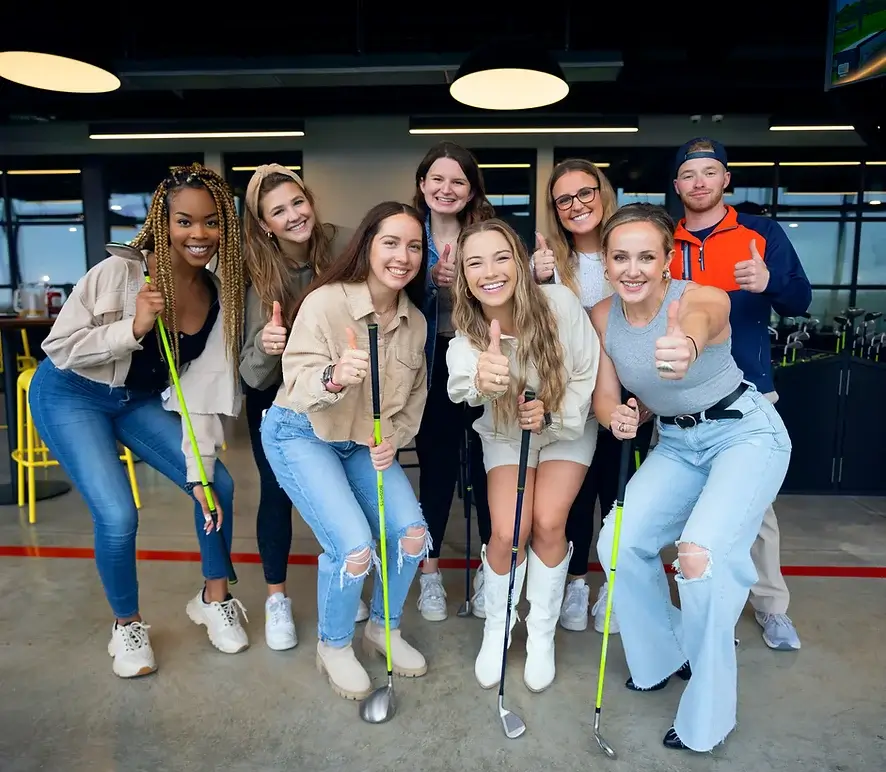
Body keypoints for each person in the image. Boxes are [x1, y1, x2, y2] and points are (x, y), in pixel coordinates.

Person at [29, 163, 249, 678]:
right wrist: (132, 327)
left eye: (212, 222)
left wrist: (197, 470)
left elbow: (205, 390)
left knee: (216, 482)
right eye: (185, 221)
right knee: (118, 515)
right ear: (162, 221)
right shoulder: (120, 274)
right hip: (71, 394)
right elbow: (58, 347)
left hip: (134, 400)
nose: (199, 234)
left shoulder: (219, 295)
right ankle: (126, 626)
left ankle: (214, 598)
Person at [591, 202, 791, 752]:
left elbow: (712, 312)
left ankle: (708, 712)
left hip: (744, 434)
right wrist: (619, 416)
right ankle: (662, 656)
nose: (633, 269)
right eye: (621, 257)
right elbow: (607, 396)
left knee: (699, 557)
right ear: (606, 264)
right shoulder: (603, 316)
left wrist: (689, 344)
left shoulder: (694, 298)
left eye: (646, 257)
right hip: (677, 444)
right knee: (617, 541)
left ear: (666, 261)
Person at [261, 201, 431, 701]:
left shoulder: (415, 322)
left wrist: (394, 438)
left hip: (360, 443)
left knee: (412, 535)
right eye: (391, 243)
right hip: (301, 431)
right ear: (367, 246)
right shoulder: (326, 302)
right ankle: (333, 646)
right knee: (354, 548)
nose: (403, 256)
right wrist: (335, 377)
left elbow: (414, 397)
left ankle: (384, 628)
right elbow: (297, 379)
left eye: (414, 246)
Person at [446, 218, 600, 693]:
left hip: (567, 427)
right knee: (509, 530)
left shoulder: (560, 302)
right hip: (507, 434)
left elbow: (584, 374)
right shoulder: (469, 329)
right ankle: (497, 628)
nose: (489, 271)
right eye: (475, 262)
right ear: (464, 277)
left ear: (519, 261)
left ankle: (540, 635)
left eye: (500, 257)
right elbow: (463, 383)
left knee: (550, 522)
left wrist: (552, 417)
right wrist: (482, 380)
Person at [670, 137, 811, 651]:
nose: (700, 182)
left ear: (726, 179)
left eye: (710, 172)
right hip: (682, 401)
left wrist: (769, 280)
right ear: (677, 185)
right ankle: (706, 611)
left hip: (748, 394)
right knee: (692, 513)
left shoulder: (760, 232)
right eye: (689, 174)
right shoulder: (667, 242)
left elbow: (800, 299)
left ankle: (772, 607)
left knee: (756, 513)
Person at [238, 163, 364, 652]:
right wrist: (268, 345)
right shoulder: (257, 274)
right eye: (279, 211)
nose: (293, 216)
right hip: (278, 401)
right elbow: (250, 375)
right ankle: (276, 599)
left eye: (297, 202)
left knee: (344, 489)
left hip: (339, 390)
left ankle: (346, 581)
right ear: (265, 224)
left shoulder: (344, 246)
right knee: (277, 493)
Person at [530, 157, 654, 635]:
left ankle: (615, 589)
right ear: (554, 210)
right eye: (564, 199)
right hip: (570, 393)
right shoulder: (548, 261)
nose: (577, 205)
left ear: (603, 194)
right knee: (576, 495)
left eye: (585, 193)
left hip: (627, 388)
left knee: (619, 490)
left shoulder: (626, 251)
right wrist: (537, 281)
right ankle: (577, 583)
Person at [412, 141, 496, 621]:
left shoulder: (485, 236)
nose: (446, 189)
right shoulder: (404, 232)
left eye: (458, 181)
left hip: (481, 357)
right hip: (428, 363)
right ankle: (430, 575)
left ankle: (491, 569)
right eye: (437, 179)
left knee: (488, 468)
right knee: (437, 470)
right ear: (423, 184)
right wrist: (429, 280)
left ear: (471, 190)